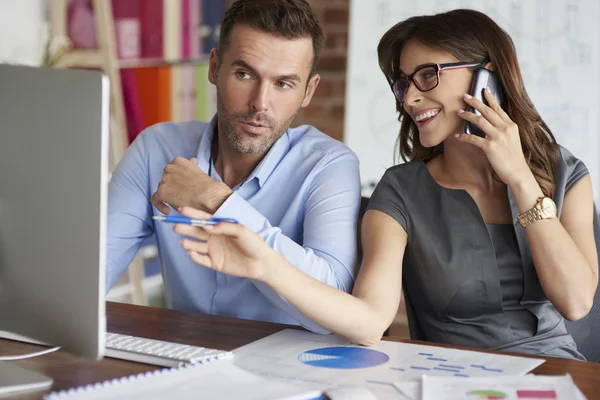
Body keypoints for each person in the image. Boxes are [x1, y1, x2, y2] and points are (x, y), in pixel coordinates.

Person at [173, 9, 599, 360]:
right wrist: (263, 264)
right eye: (403, 82)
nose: (409, 98)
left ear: (486, 76)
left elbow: (576, 302)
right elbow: (370, 319)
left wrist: (521, 180)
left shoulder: (564, 174)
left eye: (428, 76)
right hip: (452, 378)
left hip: (558, 375)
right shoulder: (400, 192)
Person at [106, 0, 361, 333]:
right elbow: (88, 272)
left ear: (308, 91)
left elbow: (334, 306)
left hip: (288, 375)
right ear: (214, 68)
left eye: (283, 84)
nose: (260, 103)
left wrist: (218, 200)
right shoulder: (156, 149)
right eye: (244, 74)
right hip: (183, 365)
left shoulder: (329, 166)